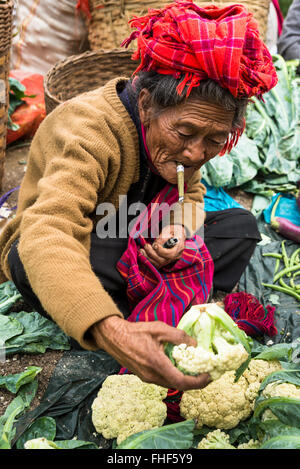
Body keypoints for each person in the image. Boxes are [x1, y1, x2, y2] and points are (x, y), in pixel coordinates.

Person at [0, 1, 277, 390]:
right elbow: (51, 230)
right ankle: (116, 314)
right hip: (80, 240)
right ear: (146, 104)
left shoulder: (190, 136)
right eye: (185, 135)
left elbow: (190, 194)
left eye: (215, 140)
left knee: (241, 228)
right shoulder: (89, 130)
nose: (197, 154)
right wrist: (111, 331)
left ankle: (138, 296)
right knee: (33, 260)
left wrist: (177, 233)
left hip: (136, 237)